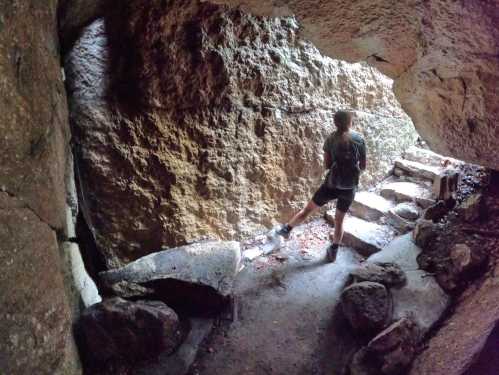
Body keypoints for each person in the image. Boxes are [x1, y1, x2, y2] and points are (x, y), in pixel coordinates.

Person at [275, 110, 367, 262]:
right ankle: (334, 251)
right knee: (339, 221)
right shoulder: (359, 139)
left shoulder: (331, 139)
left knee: (308, 209)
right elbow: (363, 166)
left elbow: (327, 165)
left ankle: (287, 229)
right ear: (350, 122)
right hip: (349, 186)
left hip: (331, 184)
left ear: (335, 123)